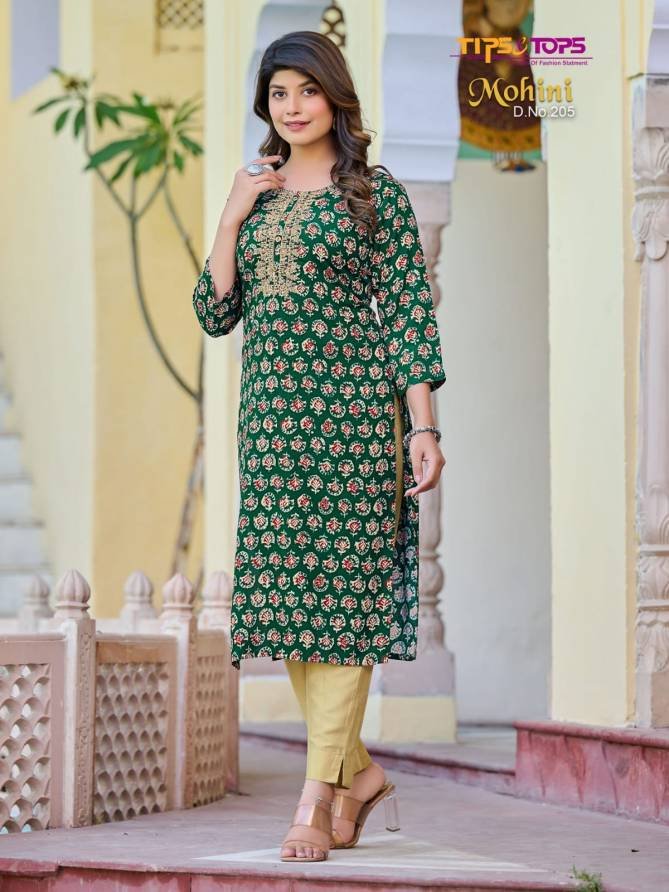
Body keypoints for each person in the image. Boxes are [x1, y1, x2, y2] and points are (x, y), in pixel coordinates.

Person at [192, 30, 446, 863]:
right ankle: (359, 775)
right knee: (295, 607)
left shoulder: (374, 194)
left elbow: (408, 314)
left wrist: (421, 427)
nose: (292, 107)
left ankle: (313, 801)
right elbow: (215, 313)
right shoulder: (256, 193)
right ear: (263, 105)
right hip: (272, 424)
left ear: (334, 96)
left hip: (352, 418)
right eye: (278, 94)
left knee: (343, 604)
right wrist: (230, 214)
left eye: (306, 90)